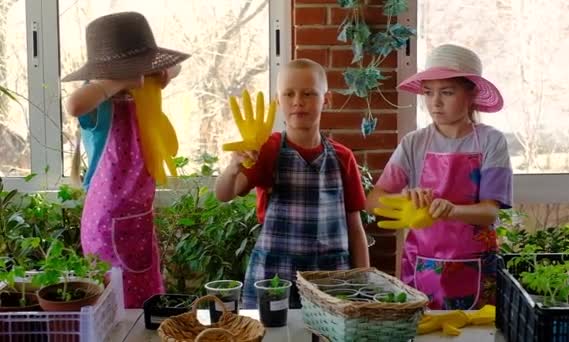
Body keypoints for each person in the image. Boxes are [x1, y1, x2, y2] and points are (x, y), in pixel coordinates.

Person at [366, 44, 513, 310]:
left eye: (447, 92)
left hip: (476, 265)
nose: (435, 102)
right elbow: (374, 200)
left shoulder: (491, 141)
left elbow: (490, 212)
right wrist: (405, 203)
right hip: (422, 264)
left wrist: (451, 210)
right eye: (428, 92)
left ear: (472, 94)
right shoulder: (414, 143)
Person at [214, 58, 370, 309]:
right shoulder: (267, 150)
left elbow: (355, 228)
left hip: (331, 278)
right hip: (274, 276)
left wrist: (363, 280)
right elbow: (224, 194)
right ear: (278, 101)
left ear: (326, 99)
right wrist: (234, 166)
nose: (298, 101)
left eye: (308, 93)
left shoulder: (343, 157)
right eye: (289, 94)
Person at [62, 11, 190, 308]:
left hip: (138, 219)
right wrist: (115, 83)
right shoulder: (99, 103)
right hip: (107, 226)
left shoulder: (141, 96)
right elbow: (73, 104)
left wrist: (163, 74)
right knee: (115, 305)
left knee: (144, 301)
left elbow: (178, 67)